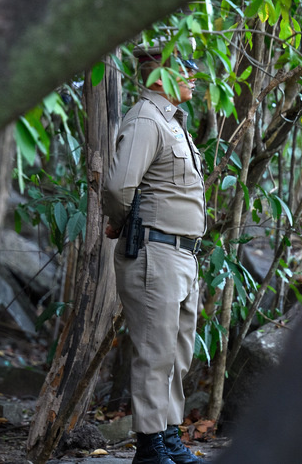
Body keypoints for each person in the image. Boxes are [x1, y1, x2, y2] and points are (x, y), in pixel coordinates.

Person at [103, 48, 207, 464]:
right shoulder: (146, 118)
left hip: (182, 254)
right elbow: (117, 187)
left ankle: (168, 436)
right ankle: (149, 448)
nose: (195, 78)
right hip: (154, 251)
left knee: (177, 353)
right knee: (154, 351)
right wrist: (118, 222)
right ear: (159, 77)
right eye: (186, 71)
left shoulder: (174, 124)